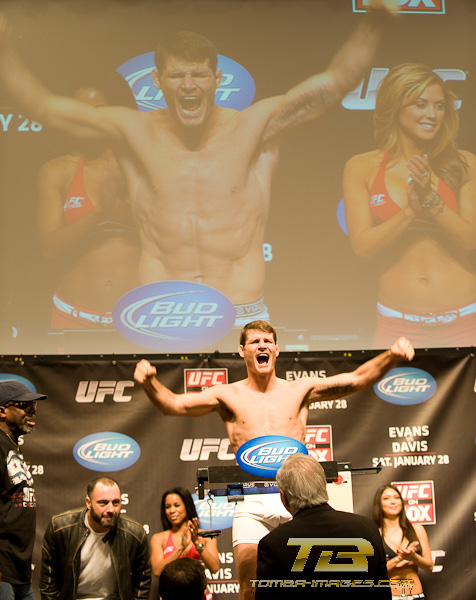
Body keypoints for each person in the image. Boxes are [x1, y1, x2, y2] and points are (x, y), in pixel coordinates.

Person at [0, 2, 396, 326]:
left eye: (198, 75)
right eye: (176, 76)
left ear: (216, 78)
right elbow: (44, 107)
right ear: (157, 80)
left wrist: (374, 21)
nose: (188, 85)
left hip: (243, 313)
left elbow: (335, 82)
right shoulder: (132, 131)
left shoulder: (255, 126)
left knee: (251, 424)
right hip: (161, 313)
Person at [134, 319, 414, 599]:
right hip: (252, 498)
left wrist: (392, 355)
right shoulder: (227, 395)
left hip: (302, 498)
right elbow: (173, 404)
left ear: (277, 350)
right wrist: (149, 382)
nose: (262, 346)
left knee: (320, 579)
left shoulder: (300, 390)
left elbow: (356, 380)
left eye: (267, 341)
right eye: (255, 342)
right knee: (250, 584)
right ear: (242, 350)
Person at [343, 62, 476, 348]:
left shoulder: (464, 163)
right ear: (395, 107)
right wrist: (409, 213)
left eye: (440, 106)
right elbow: (362, 248)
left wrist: (431, 201)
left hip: (465, 321)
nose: (432, 114)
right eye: (421, 104)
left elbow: (471, 243)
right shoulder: (361, 167)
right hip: (397, 327)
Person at [37, 86, 140, 331]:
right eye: (80, 112)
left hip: (137, 321)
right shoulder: (57, 171)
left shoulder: (142, 167)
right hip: (73, 318)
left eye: (98, 112)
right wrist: (98, 214)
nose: (88, 120)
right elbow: (49, 248)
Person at [255, 453, 391, 599]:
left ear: (283, 496)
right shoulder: (367, 529)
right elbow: (383, 595)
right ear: (323, 486)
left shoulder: (273, 544)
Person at [39, 476, 151, 600]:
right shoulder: (60, 528)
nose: (111, 509)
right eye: (103, 503)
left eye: (116, 503)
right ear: (88, 503)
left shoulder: (134, 534)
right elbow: (48, 582)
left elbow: (142, 582)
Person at [0, 380, 47, 600]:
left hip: (18, 570)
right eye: (24, 405)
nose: (32, 411)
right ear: (2, 411)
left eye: (34, 406)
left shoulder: (12, 445)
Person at [151, 487, 218, 599]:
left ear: (187, 506)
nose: (172, 510)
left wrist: (197, 543)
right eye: (167, 507)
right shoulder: (159, 538)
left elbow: (214, 567)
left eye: (177, 505)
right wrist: (180, 548)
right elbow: (157, 571)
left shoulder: (206, 537)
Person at [372, 484, 433, 599]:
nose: (393, 502)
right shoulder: (375, 533)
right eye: (386, 498)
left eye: (396, 497)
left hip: (416, 595)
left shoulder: (416, 529)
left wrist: (414, 557)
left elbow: (429, 566)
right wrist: (399, 558)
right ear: (379, 504)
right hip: (391, 596)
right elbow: (374, 573)